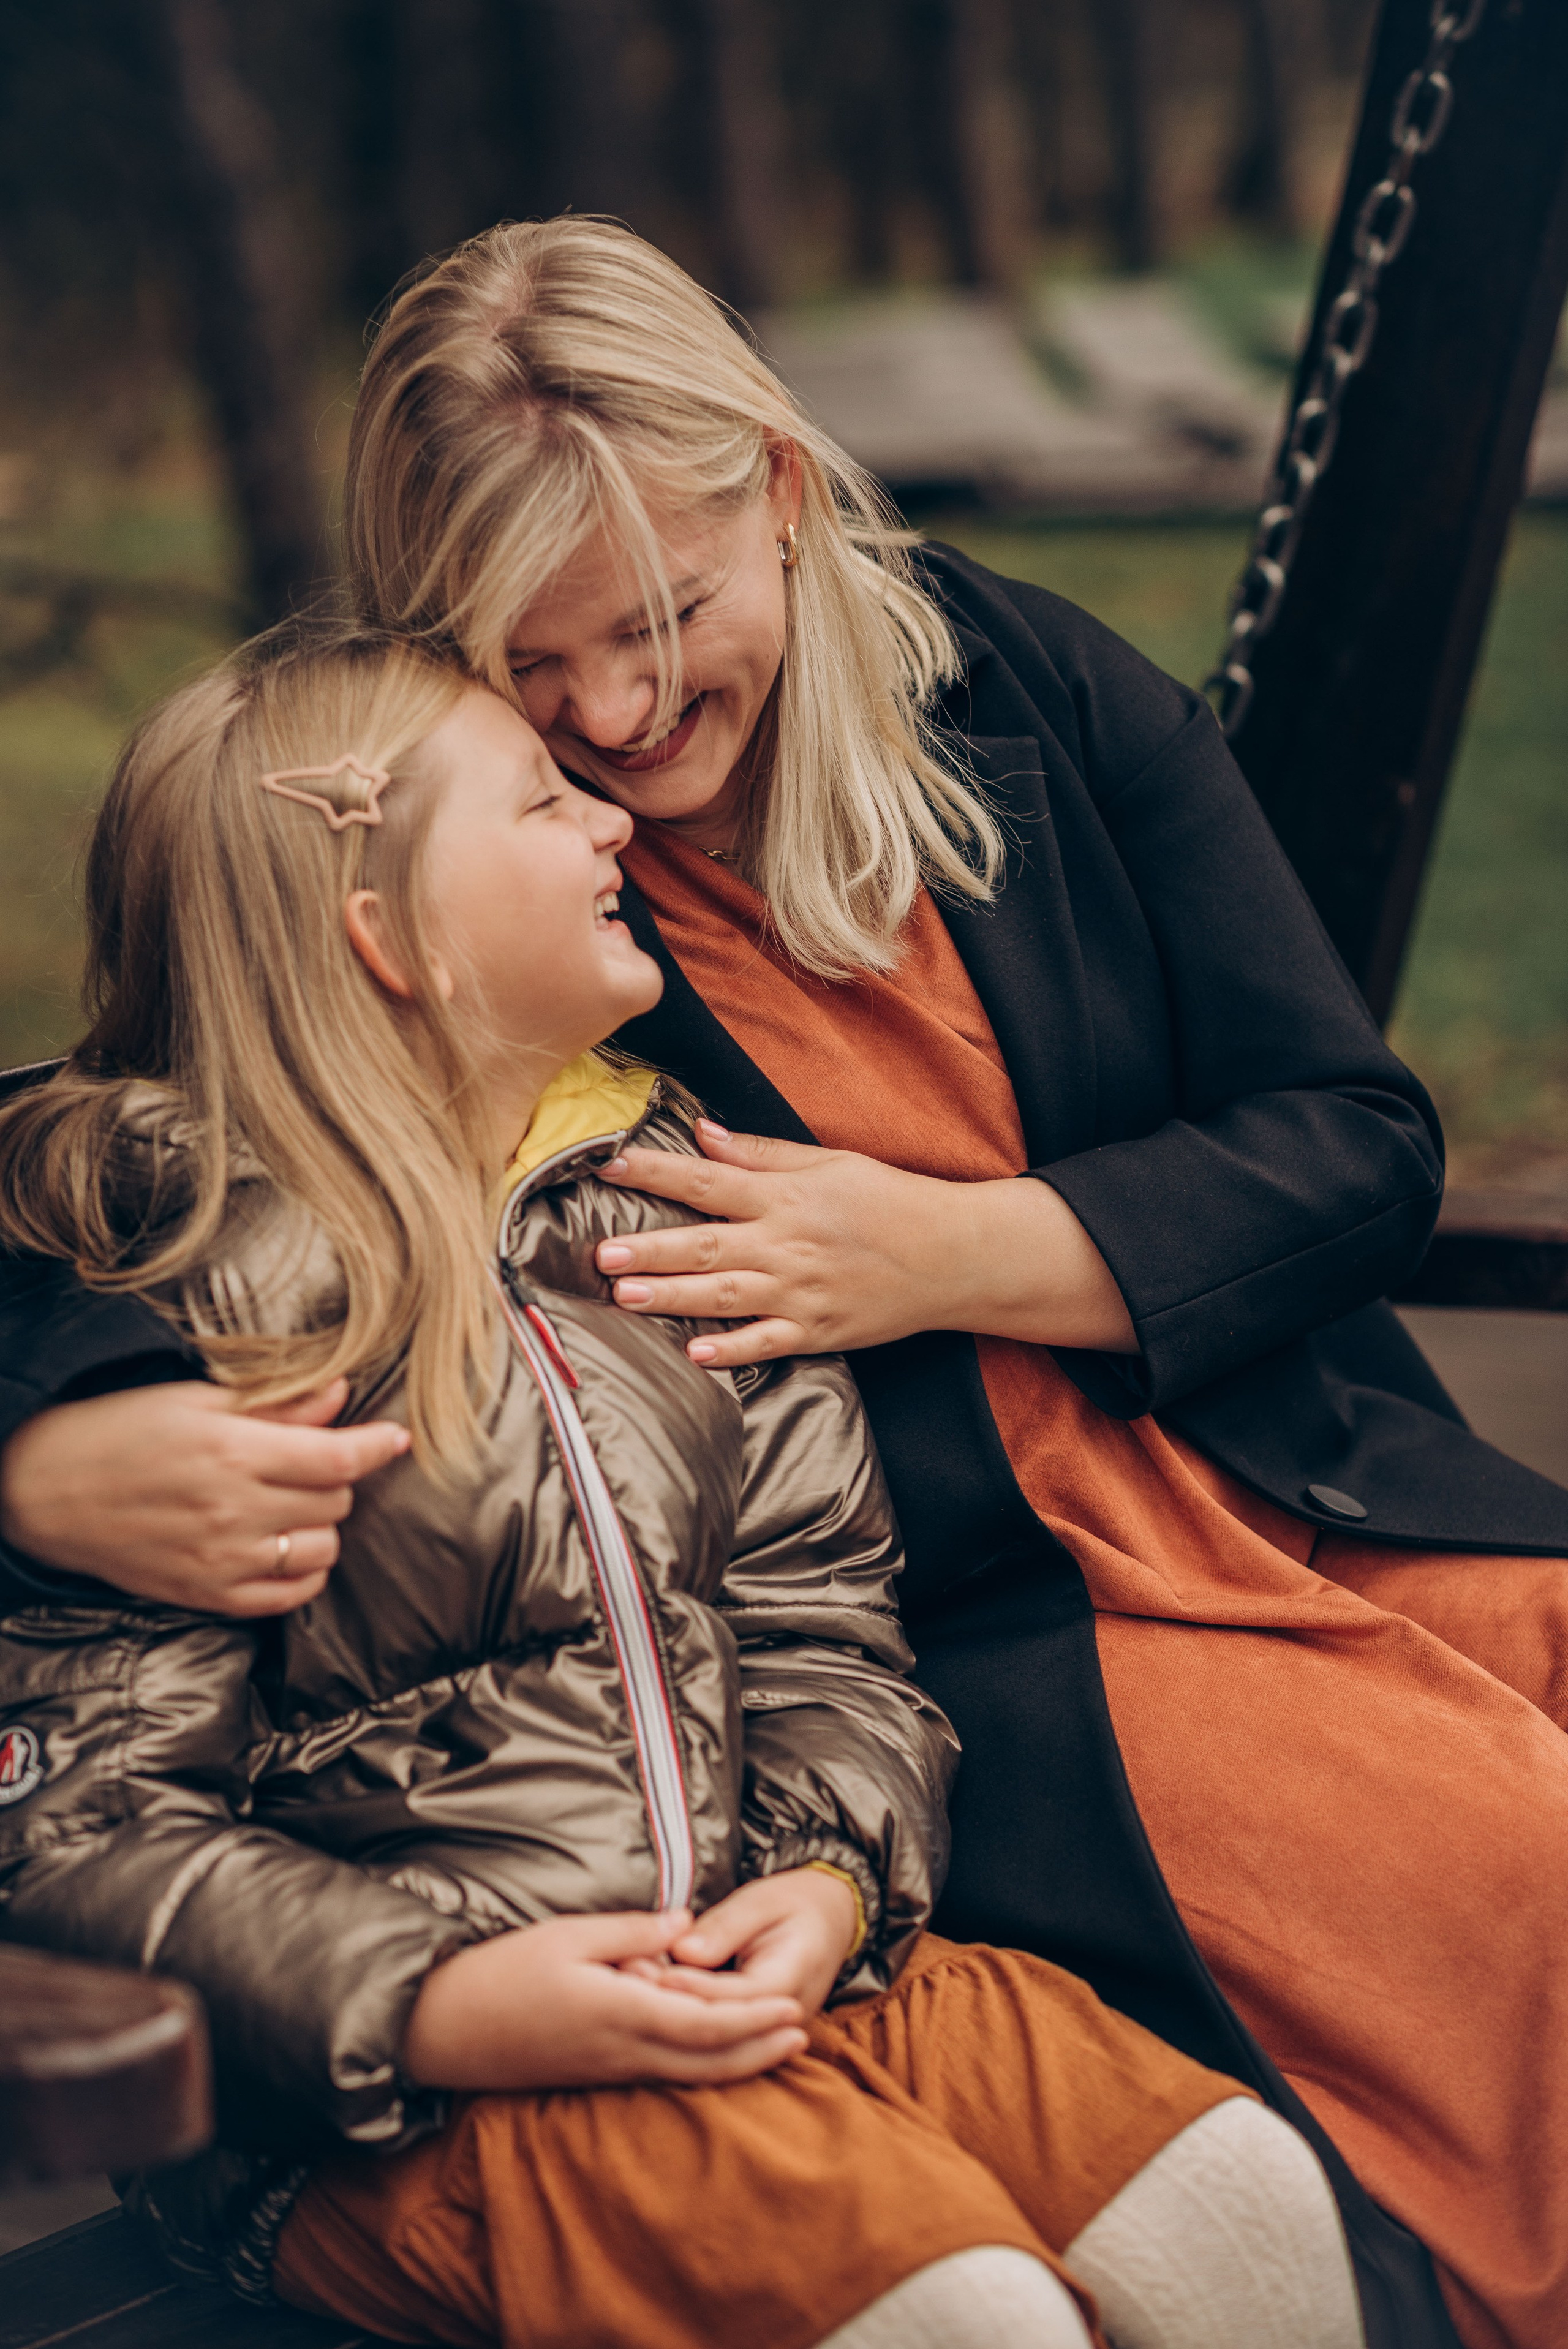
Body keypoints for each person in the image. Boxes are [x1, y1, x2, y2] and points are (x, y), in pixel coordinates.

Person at [2, 217, 1567, 2345]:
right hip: (995, 1617)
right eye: (538, 668)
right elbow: (134, 1125)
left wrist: (957, 1248)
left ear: (787, 495)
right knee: (1501, 1871)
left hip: (1265, 1467)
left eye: (663, 617)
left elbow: (1357, 1141)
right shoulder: (441, 869)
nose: (621, 720)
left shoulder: (1010, 687)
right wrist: (41, 1441)